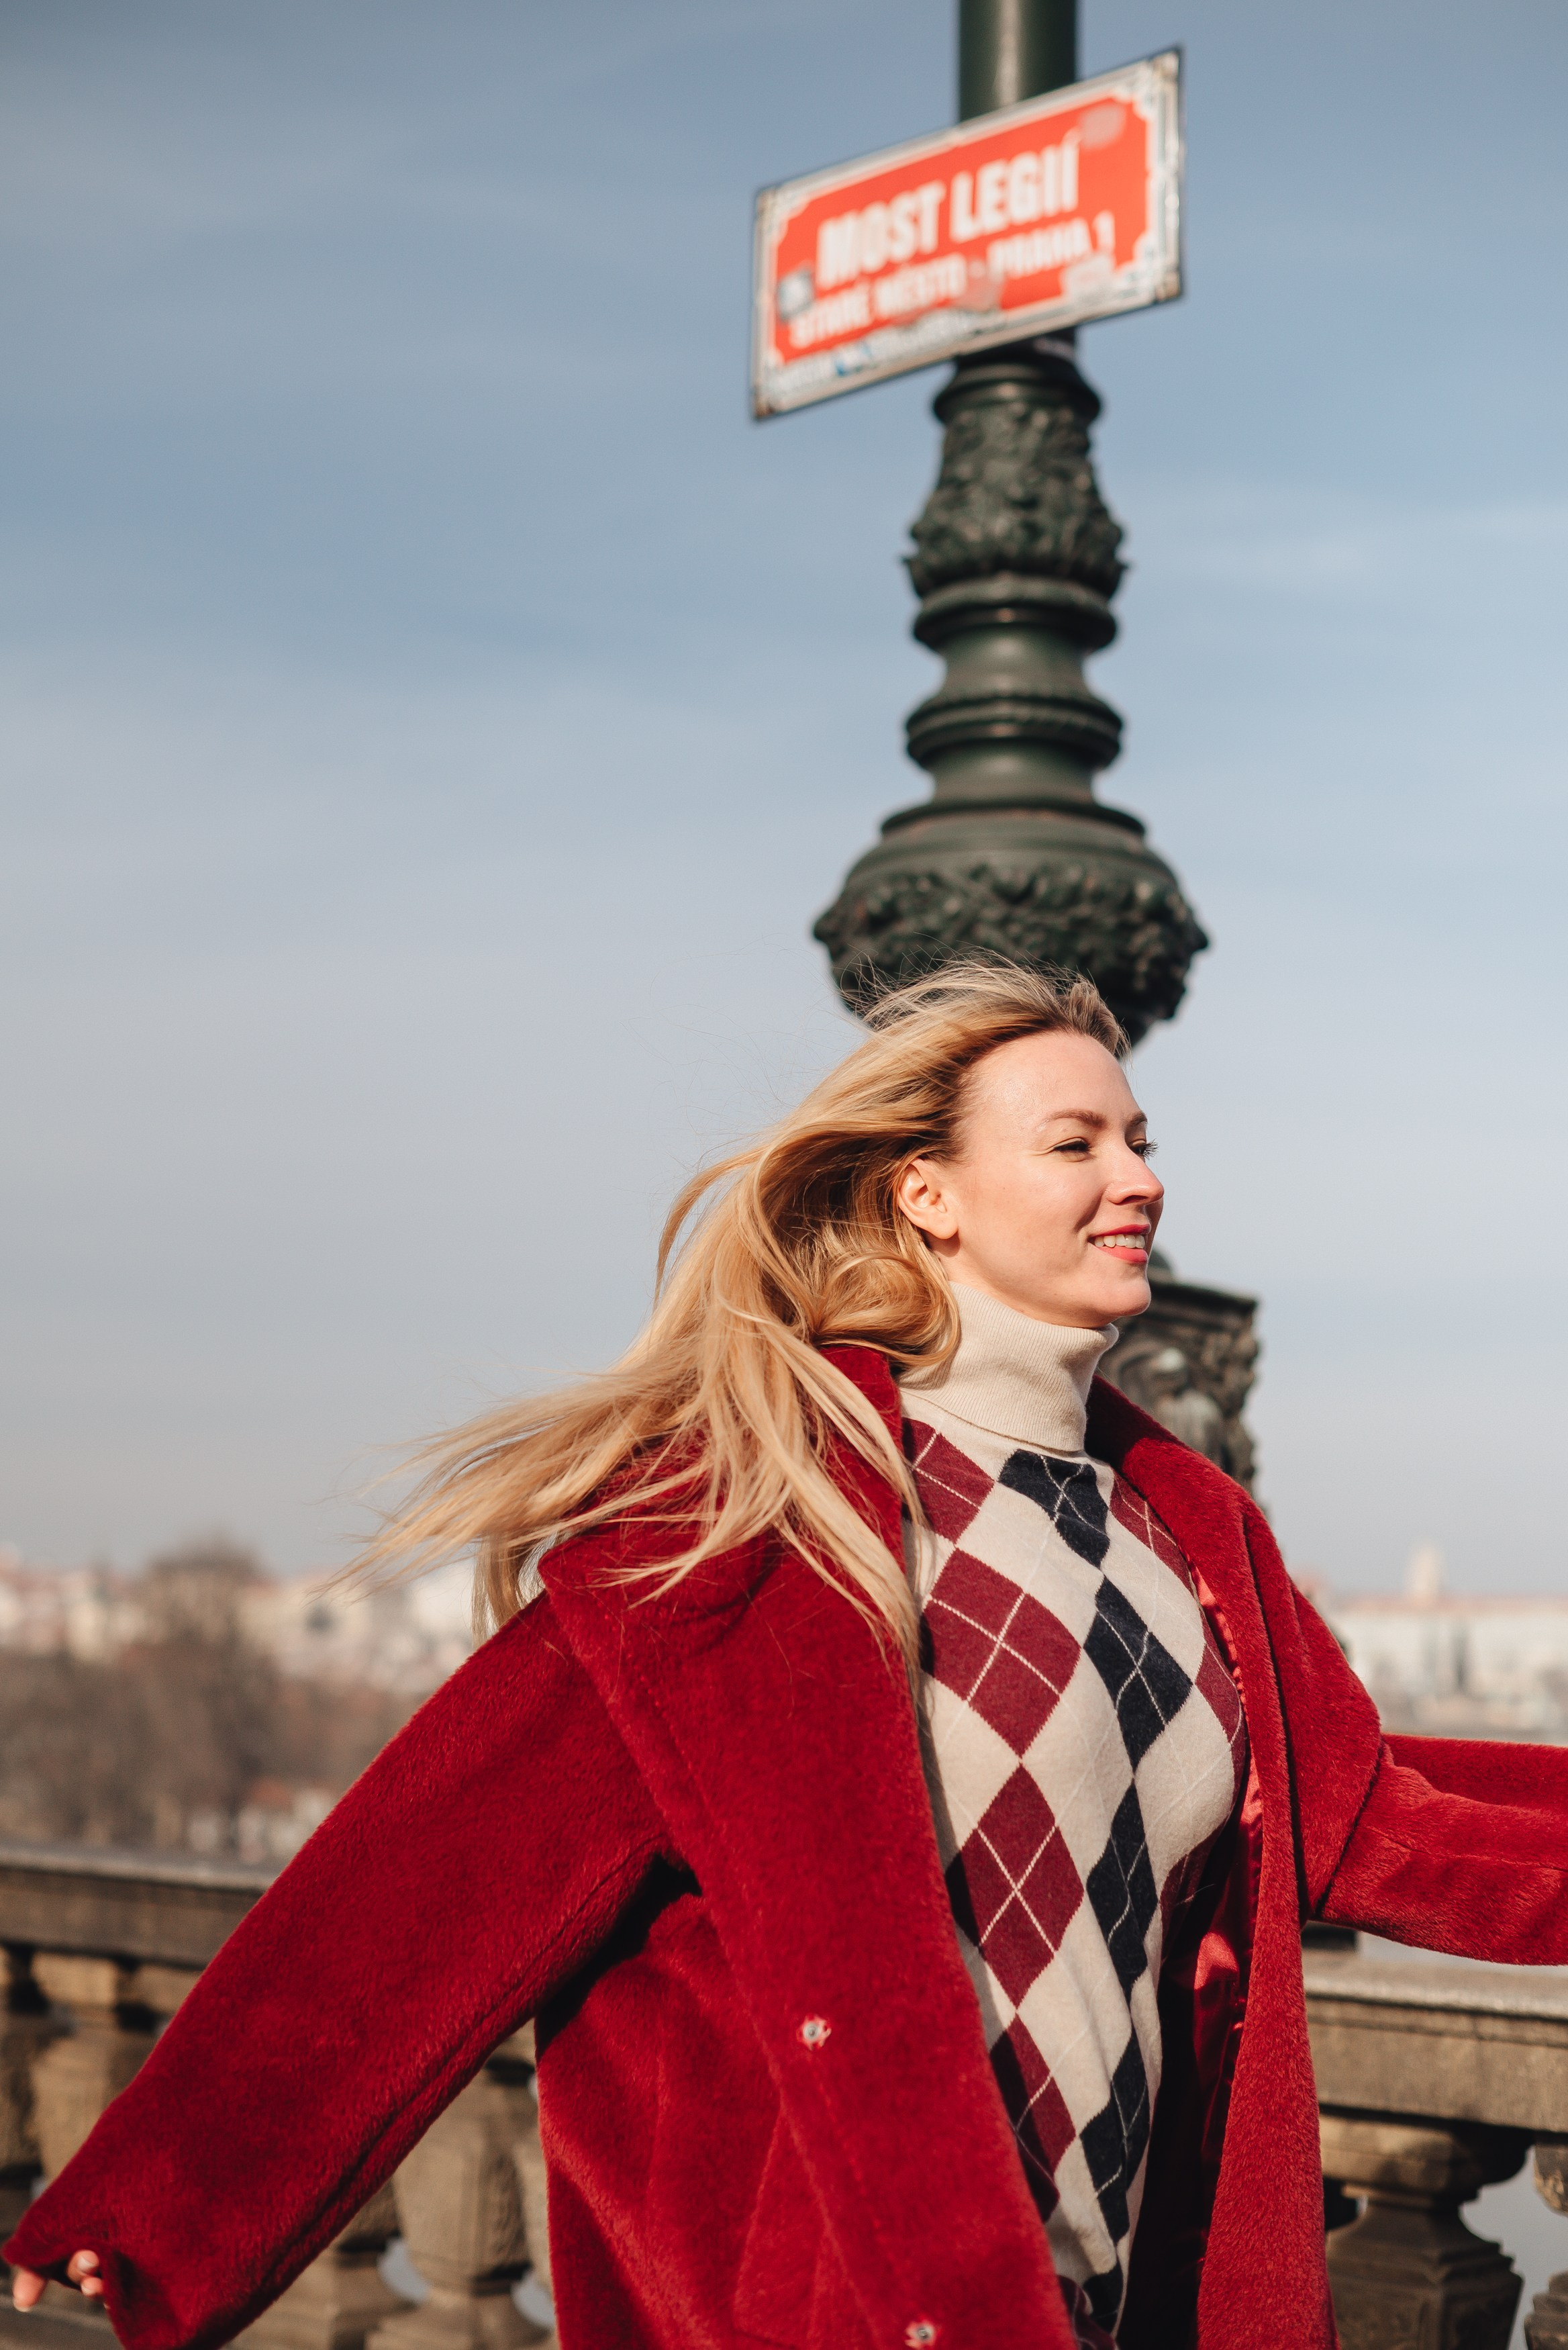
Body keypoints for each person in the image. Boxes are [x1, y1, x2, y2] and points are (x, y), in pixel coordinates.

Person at [9, 960, 1568, 2350]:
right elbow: (418, 1893)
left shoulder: (1190, 1532)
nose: (1137, 1179)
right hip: (825, 2303)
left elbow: (1376, 1819)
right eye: (1076, 1143)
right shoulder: (751, 1522)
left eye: (1141, 1138)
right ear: (926, 1197)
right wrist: (146, 2220)